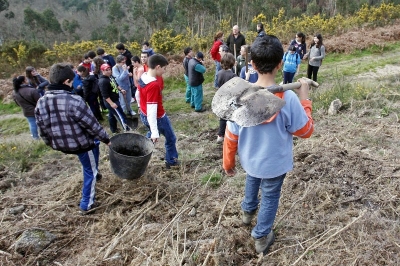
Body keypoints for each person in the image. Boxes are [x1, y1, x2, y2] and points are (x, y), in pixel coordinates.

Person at [223, 35, 314, 255]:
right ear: (280, 64)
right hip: (274, 163)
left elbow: (231, 136)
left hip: (250, 160)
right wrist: (305, 99)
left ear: (252, 64)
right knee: (270, 195)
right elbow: (305, 131)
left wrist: (228, 162)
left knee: (253, 179)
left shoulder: (240, 97)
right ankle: (261, 236)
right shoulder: (289, 99)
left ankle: (247, 212)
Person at [34, 63, 111, 214]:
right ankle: (86, 204)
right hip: (81, 144)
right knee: (90, 170)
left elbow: (41, 128)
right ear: (66, 82)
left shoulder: (42, 101)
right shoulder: (74, 100)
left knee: (91, 153)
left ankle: (96, 172)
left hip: (61, 143)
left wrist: (50, 142)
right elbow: (92, 125)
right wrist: (107, 140)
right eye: (71, 81)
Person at [138, 54, 179, 169]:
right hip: (158, 117)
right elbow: (152, 109)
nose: (165, 71)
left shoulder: (143, 77)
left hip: (143, 114)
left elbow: (138, 94)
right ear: (157, 67)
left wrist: (139, 107)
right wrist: (156, 132)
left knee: (150, 137)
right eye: (164, 68)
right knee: (171, 138)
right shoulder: (153, 85)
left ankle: (140, 152)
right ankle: (171, 161)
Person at [98, 63, 131, 134]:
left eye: (109, 69)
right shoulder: (103, 81)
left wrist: (121, 89)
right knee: (121, 115)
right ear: (102, 71)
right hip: (111, 102)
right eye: (106, 70)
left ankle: (113, 129)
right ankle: (127, 130)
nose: (109, 71)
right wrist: (111, 103)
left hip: (115, 99)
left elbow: (115, 83)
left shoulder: (110, 77)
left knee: (112, 115)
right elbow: (105, 95)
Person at [216, 53, 236, 143]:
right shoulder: (233, 75)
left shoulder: (219, 73)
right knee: (231, 117)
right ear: (232, 63)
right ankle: (231, 134)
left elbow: (217, 85)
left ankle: (220, 135)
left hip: (221, 98)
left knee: (222, 117)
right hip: (230, 99)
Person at [12, 75, 41, 140]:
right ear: (23, 81)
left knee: (32, 124)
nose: (28, 80)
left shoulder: (15, 92)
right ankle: (45, 135)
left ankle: (35, 137)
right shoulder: (32, 90)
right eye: (26, 79)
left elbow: (17, 103)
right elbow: (39, 101)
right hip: (37, 110)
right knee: (42, 123)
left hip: (26, 111)